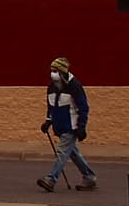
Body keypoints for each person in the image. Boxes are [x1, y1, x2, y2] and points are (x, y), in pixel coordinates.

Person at [36, 56, 96, 192]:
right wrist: (48, 121)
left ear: (63, 72)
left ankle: (51, 179)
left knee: (62, 152)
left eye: (55, 70)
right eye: (51, 70)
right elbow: (51, 106)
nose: (53, 73)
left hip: (71, 126)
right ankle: (89, 177)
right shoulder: (51, 87)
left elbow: (83, 107)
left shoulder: (74, 86)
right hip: (59, 126)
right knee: (73, 153)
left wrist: (82, 127)